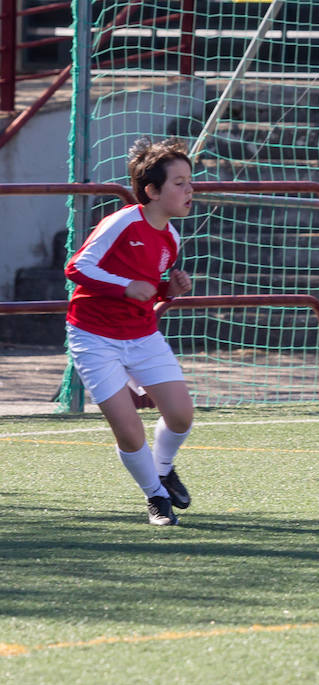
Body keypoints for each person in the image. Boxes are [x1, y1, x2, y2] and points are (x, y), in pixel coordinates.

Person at [63, 137, 196, 526]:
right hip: (93, 336)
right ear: (152, 191)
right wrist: (123, 286)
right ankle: (155, 496)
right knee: (128, 430)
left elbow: (149, 288)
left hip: (141, 335)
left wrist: (168, 289)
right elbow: (76, 268)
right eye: (179, 183)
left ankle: (163, 467)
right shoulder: (122, 221)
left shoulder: (171, 238)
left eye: (190, 182)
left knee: (181, 416)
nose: (190, 190)